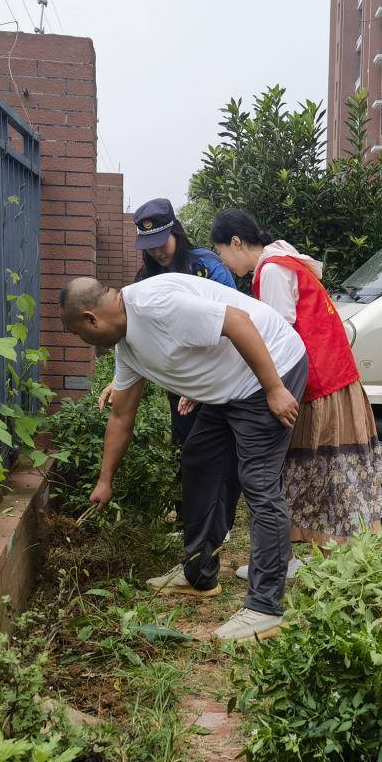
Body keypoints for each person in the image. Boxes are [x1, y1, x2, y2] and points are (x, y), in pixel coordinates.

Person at [59, 274, 307, 642]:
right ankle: (199, 573)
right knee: (199, 459)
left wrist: (274, 389)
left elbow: (238, 322)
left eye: (78, 334)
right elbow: (122, 416)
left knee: (258, 480)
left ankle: (265, 608)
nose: (83, 343)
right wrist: (104, 480)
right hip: (228, 388)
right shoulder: (128, 347)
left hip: (269, 368)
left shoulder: (156, 306)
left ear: (92, 319)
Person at [210, 209, 382, 561]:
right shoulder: (282, 260)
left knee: (305, 470)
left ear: (236, 242)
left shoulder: (272, 270)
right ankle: (334, 558)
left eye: (220, 252)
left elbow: (277, 336)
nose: (223, 262)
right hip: (332, 376)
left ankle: (289, 560)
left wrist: (263, 388)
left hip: (315, 384)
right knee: (325, 471)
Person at [98, 197, 241, 530]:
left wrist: (203, 383)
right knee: (186, 444)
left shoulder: (206, 265)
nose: (158, 251)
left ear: (176, 231)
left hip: (217, 373)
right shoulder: (144, 277)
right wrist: (117, 382)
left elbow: (234, 319)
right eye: (150, 246)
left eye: (162, 242)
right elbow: (136, 340)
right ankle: (188, 512)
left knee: (218, 447)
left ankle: (221, 513)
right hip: (179, 379)